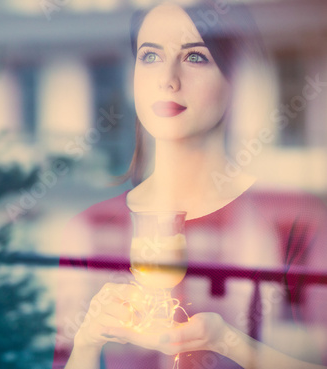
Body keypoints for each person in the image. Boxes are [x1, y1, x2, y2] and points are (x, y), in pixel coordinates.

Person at [53, 1, 327, 368]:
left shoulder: (295, 220)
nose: (168, 79)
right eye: (150, 56)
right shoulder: (89, 228)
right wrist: (87, 343)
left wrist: (228, 342)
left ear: (235, 78)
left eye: (195, 57)